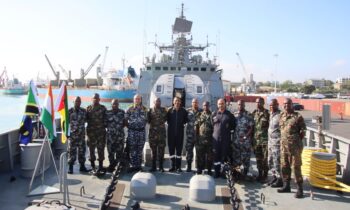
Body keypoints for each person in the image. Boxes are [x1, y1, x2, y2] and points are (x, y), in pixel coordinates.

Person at [278, 98, 306, 198]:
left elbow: (302, 132)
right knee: (284, 166)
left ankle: (300, 189)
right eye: (285, 104)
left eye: (288, 104)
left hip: (294, 148)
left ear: (292, 105)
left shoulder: (298, 117)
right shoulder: (282, 116)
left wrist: (295, 142)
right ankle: (286, 186)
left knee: (296, 167)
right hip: (283, 147)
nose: (286, 106)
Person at [212, 98, 235, 178]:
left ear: (225, 104)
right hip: (216, 139)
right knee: (216, 155)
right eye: (219, 104)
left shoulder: (229, 115)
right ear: (217, 105)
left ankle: (223, 173)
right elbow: (212, 126)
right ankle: (216, 172)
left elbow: (233, 126)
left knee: (224, 156)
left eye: (222, 103)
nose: (220, 105)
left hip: (225, 139)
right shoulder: (214, 114)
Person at [125, 94, 148, 172]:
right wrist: (130, 127)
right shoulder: (129, 109)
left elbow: (147, 120)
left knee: (140, 149)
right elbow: (125, 120)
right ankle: (133, 166)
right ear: (133, 100)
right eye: (136, 99)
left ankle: (139, 166)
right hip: (132, 132)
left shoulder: (145, 109)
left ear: (141, 100)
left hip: (141, 132)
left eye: (138, 99)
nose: (137, 100)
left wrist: (141, 126)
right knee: (132, 149)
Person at [86, 93, 107, 173]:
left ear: (99, 99)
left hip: (101, 133)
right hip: (91, 133)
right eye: (94, 98)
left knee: (100, 149)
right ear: (92, 99)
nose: (95, 99)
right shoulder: (88, 108)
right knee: (91, 149)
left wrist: (102, 126)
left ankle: (101, 166)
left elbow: (106, 119)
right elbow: (85, 119)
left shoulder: (103, 108)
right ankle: (93, 166)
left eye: (96, 98)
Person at [232, 99, 254, 177]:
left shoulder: (248, 115)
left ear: (244, 105)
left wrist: (245, 137)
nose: (240, 106)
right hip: (236, 140)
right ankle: (236, 172)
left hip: (245, 141)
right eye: (239, 104)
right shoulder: (235, 114)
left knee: (246, 157)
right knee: (236, 156)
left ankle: (245, 172)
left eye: (241, 104)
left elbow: (251, 128)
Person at [67, 96, 88, 174]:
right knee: (71, 151)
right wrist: (66, 133)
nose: (78, 103)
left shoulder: (84, 111)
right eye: (76, 101)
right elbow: (65, 123)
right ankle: (70, 167)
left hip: (81, 136)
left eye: (79, 101)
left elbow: (87, 120)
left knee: (82, 151)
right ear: (73, 102)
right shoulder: (69, 111)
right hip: (72, 136)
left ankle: (82, 166)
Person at [167, 97, 187, 172]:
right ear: (173, 102)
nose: (177, 102)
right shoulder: (169, 111)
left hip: (180, 134)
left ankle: (178, 167)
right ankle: (172, 167)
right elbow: (167, 120)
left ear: (180, 102)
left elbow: (185, 121)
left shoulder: (183, 111)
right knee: (171, 151)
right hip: (171, 134)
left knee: (179, 151)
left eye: (178, 101)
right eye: (176, 101)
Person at [105, 99, 126, 172]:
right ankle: (111, 166)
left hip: (119, 136)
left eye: (116, 104)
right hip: (110, 136)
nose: (115, 105)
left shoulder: (122, 112)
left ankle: (117, 166)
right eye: (113, 104)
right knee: (110, 152)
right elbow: (105, 123)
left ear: (118, 104)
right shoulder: (108, 113)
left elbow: (124, 123)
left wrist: (118, 129)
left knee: (119, 152)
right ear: (111, 104)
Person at [252, 97, 270, 182]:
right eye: (256, 102)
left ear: (263, 103)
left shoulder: (267, 114)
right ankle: (259, 174)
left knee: (265, 159)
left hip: (265, 140)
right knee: (258, 158)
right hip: (256, 141)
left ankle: (265, 176)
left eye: (259, 102)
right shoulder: (254, 113)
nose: (257, 104)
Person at [148, 97, 168, 172]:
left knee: (161, 151)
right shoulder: (150, 111)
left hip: (161, 134)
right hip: (153, 134)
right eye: (156, 101)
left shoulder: (164, 110)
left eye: (159, 101)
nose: (158, 102)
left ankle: (161, 167)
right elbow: (148, 121)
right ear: (154, 102)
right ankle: (153, 167)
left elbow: (166, 119)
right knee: (153, 151)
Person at [195, 101, 213, 175]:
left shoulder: (212, 115)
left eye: (207, 105)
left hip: (210, 139)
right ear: (202, 106)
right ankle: (199, 169)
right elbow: (196, 126)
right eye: (204, 105)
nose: (205, 107)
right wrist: (196, 137)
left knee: (209, 156)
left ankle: (209, 170)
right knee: (200, 155)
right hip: (201, 139)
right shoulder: (199, 115)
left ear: (209, 106)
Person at [268, 99, 283, 187]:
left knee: (277, 162)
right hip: (270, 142)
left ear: (277, 105)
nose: (272, 107)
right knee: (270, 161)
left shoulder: (280, 115)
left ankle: (280, 179)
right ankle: (274, 176)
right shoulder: (271, 115)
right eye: (270, 105)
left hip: (277, 143)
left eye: (273, 105)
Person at [185, 98, 202, 172]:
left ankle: (198, 167)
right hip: (189, 136)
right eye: (193, 102)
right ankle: (189, 167)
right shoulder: (188, 111)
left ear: (198, 103)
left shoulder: (201, 112)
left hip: (198, 136)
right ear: (191, 103)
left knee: (198, 152)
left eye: (196, 102)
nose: (195, 104)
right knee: (189, 151)